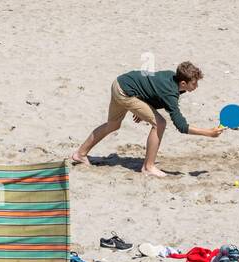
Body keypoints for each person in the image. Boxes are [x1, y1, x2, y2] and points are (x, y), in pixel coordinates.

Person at [72, 61, 223, 177]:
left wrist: (142, 108)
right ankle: (148, 167)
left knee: (113, 125)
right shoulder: (170, 92)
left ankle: (80, 154)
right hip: (126, 93)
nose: (197, 86)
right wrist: (209, 133)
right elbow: (181, 126)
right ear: (183, 83)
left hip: (120, 83)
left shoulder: (171, 77)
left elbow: (152, 89)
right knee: (160, 123)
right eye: (194, 83)